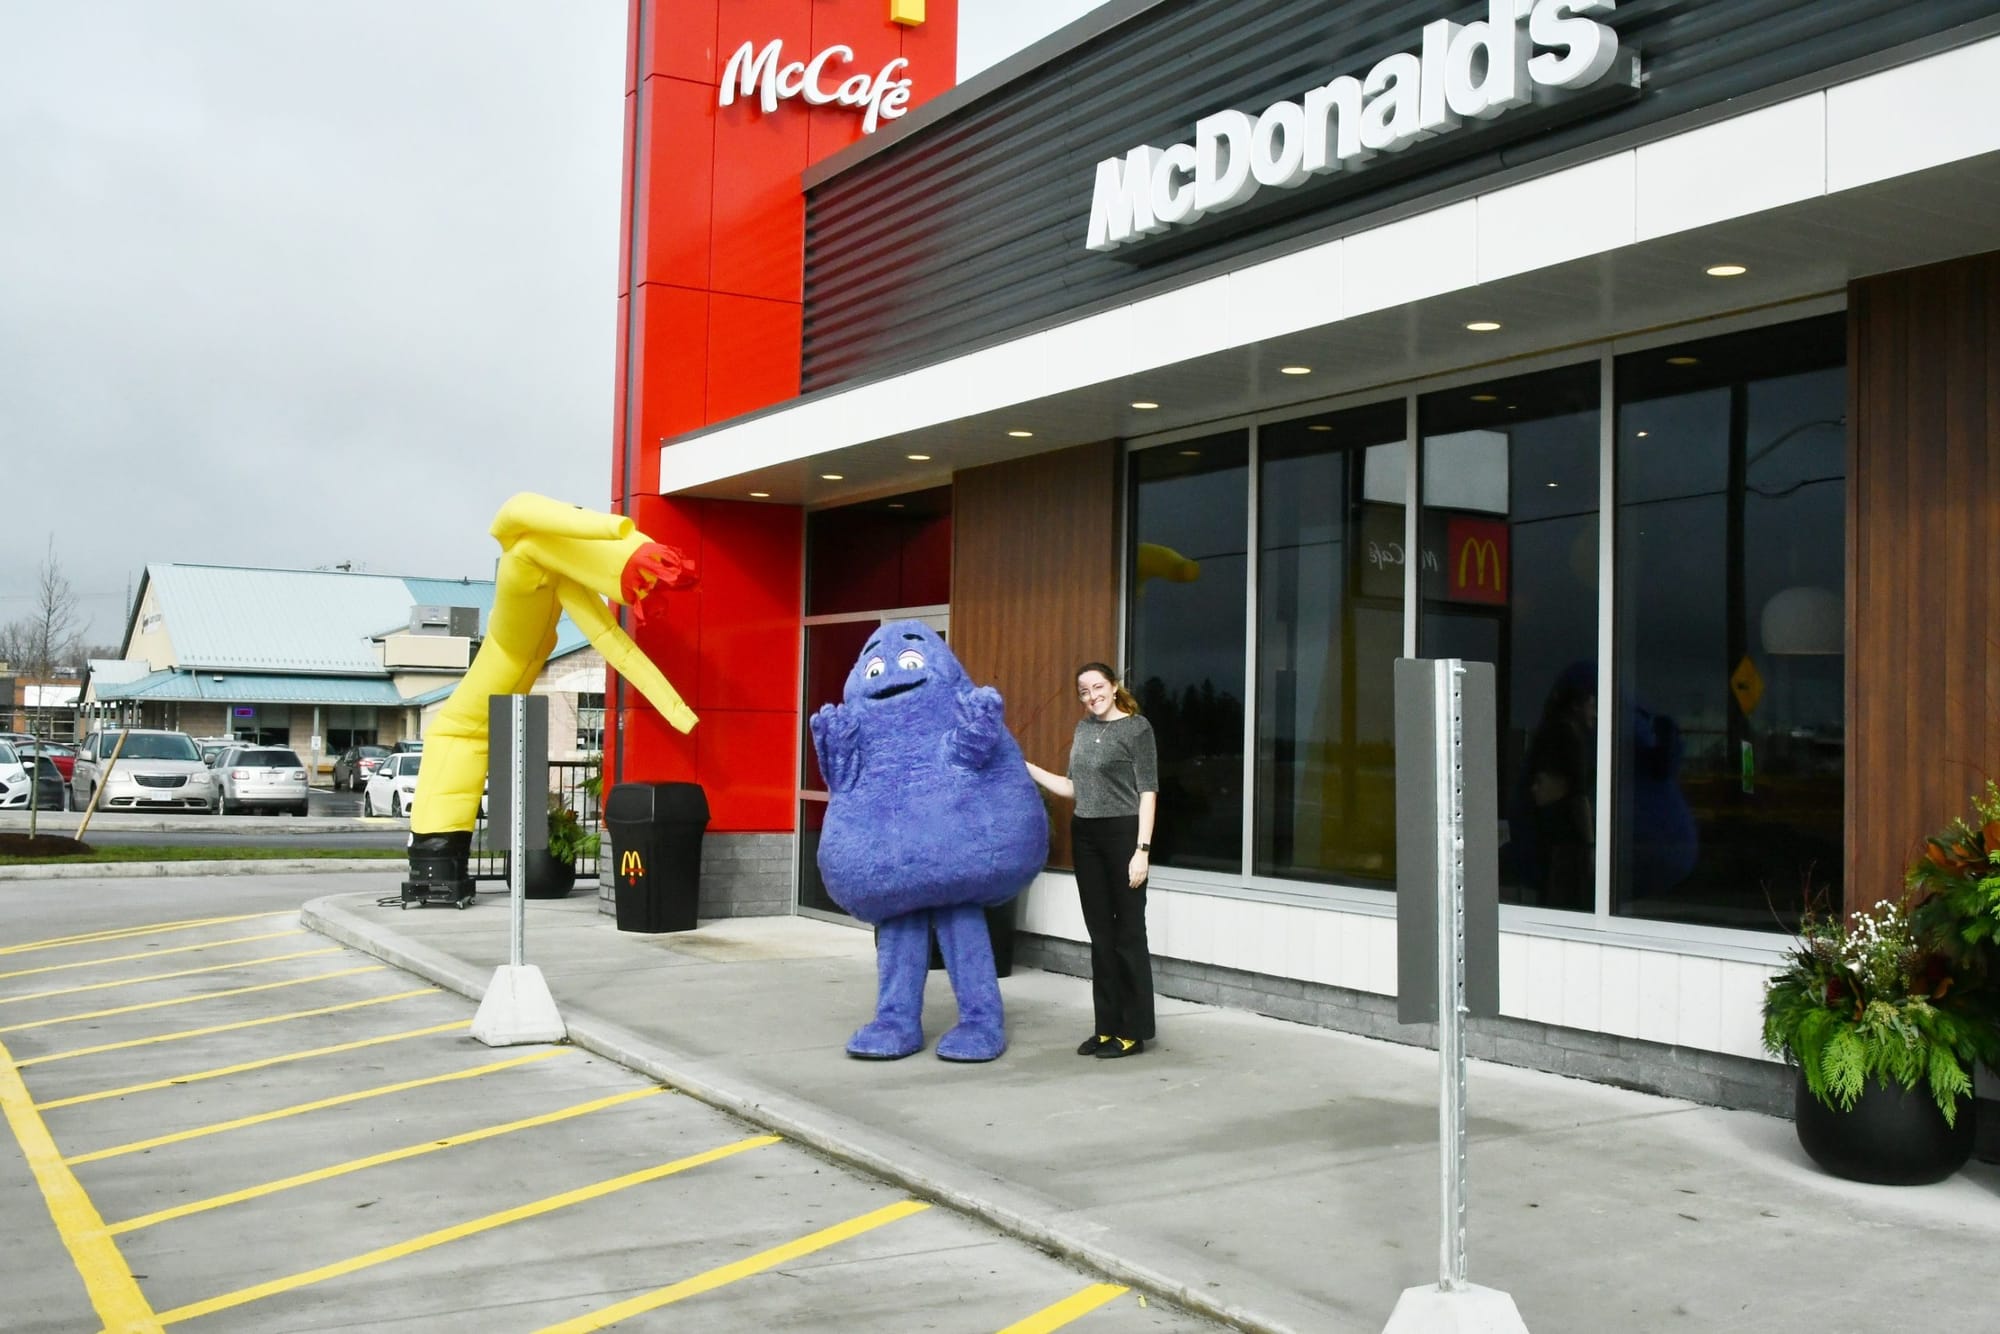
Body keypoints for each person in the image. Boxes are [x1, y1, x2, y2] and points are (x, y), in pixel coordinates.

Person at [1025, 662, 1159, 1059]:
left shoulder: (1137, 729)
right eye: (1083, 691)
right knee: (1100, 936)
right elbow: (1072, 788)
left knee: (1128, 935)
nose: (1091, 696)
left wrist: (1142, 851)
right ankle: (1106, 1027)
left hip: (1124, 836)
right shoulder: (1084, 729)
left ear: (1114, 686)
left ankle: (1133, 1031)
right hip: (1087, 835)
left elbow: (1148, 792)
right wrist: (1027, 768)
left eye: (1097, 687)